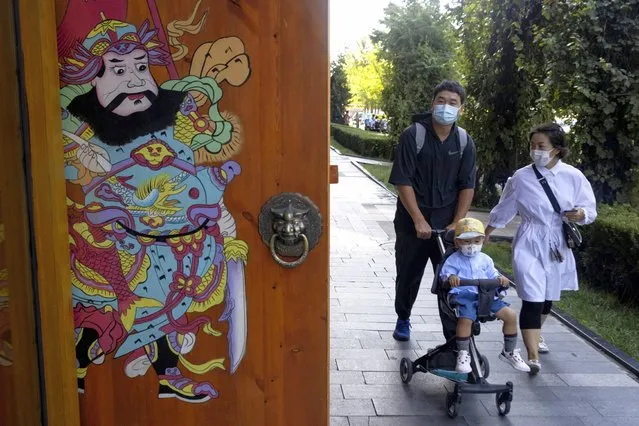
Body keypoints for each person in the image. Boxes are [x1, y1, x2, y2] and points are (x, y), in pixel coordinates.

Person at [485, 122, 597, 374]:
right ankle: (532, 356)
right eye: (532, 145)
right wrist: (487, 231)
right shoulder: (521, 177)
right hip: (529, 240)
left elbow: (590, 209)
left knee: (547, 298)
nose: (535, 150)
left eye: (541, 146)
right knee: (532, 297)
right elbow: (506, 207)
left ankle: (537, 333)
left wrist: (580, 214)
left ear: (556, 149)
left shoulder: (573, 176)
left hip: (557, 241)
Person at [388, 80, 477, 341]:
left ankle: (454, 336)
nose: (446, 106)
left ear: (460, 109)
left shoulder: (463, 141)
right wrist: (418, 220)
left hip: (446, 224)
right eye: (441, 100)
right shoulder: (413, 135)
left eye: (453, 102)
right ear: (432, 103)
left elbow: (467, 185)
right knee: (408, 274)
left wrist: (457, 222)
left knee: (452, 279)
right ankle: (403, 317)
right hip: (412, 224)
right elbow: (403, 181)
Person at [440, 218, 530, 374]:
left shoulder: (485, 259)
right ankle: (463, 353)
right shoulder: (453, 260)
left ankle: (508, 351)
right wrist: (451, 278)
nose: (472, 245)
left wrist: (500, 279)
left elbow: (493, 273)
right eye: (467, 242)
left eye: (476, 241)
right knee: (466, 319)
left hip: (486, 296)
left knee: (510, 315)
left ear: (482, 240)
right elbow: (446, 275)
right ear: (458, 242)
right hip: (465, 295)